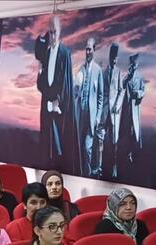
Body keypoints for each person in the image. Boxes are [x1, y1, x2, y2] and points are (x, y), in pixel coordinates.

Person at [36, 15, 74, 167]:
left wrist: (57, 101)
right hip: (46, 107)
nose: (52, 36)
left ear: (60, 32)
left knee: (59, 147)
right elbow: (41, 85)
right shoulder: (46, 53)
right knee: (46, 145)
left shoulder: (65, 53)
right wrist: (39, 71)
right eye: (50, 32)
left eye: (55, 32)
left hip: (59, 108)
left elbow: (66, 82)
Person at [75, 37, 104, 178]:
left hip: (91, 118)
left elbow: (100, 97)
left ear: (94, 50)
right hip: (80, 115)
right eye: (86, 49)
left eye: (90, 49)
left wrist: (98, 117)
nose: (87, 52)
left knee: (87, 148)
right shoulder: (81, 69)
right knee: (79, 147)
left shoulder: (98, 71)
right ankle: (80, 174)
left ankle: (87, 176)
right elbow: (76, 91)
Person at [100, 43, 125, 179]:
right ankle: (101, 166)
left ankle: (114, 166)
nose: (114, 60)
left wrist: (117, 104)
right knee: (102, 139)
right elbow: (101, 92)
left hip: (114, 112)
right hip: (105, 111)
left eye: (116, 58)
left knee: (114, 141)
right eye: (113, 57)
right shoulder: (104, 72)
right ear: (110, 57)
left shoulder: (119, 72)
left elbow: (121, 91)